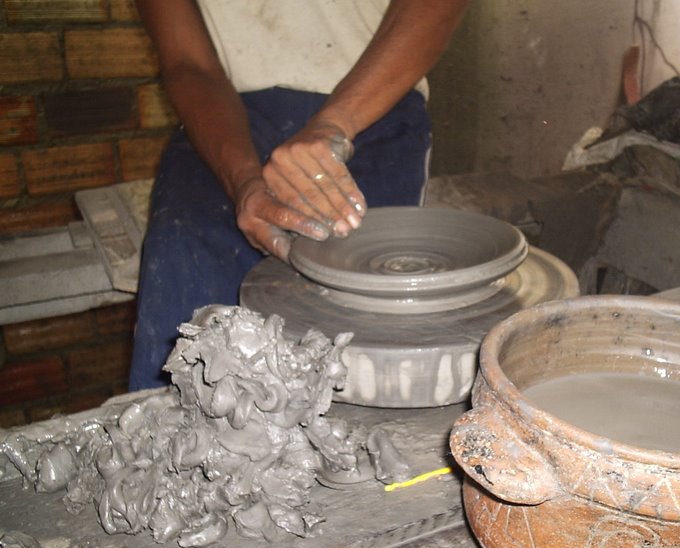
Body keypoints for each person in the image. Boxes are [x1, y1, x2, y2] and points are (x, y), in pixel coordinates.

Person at [129, 0, 468, 390]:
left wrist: (335, 124)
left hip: (374, 99)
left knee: (354, 296)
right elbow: (188, 62)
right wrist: (243, 182)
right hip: (224, 116)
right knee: (182, 258)